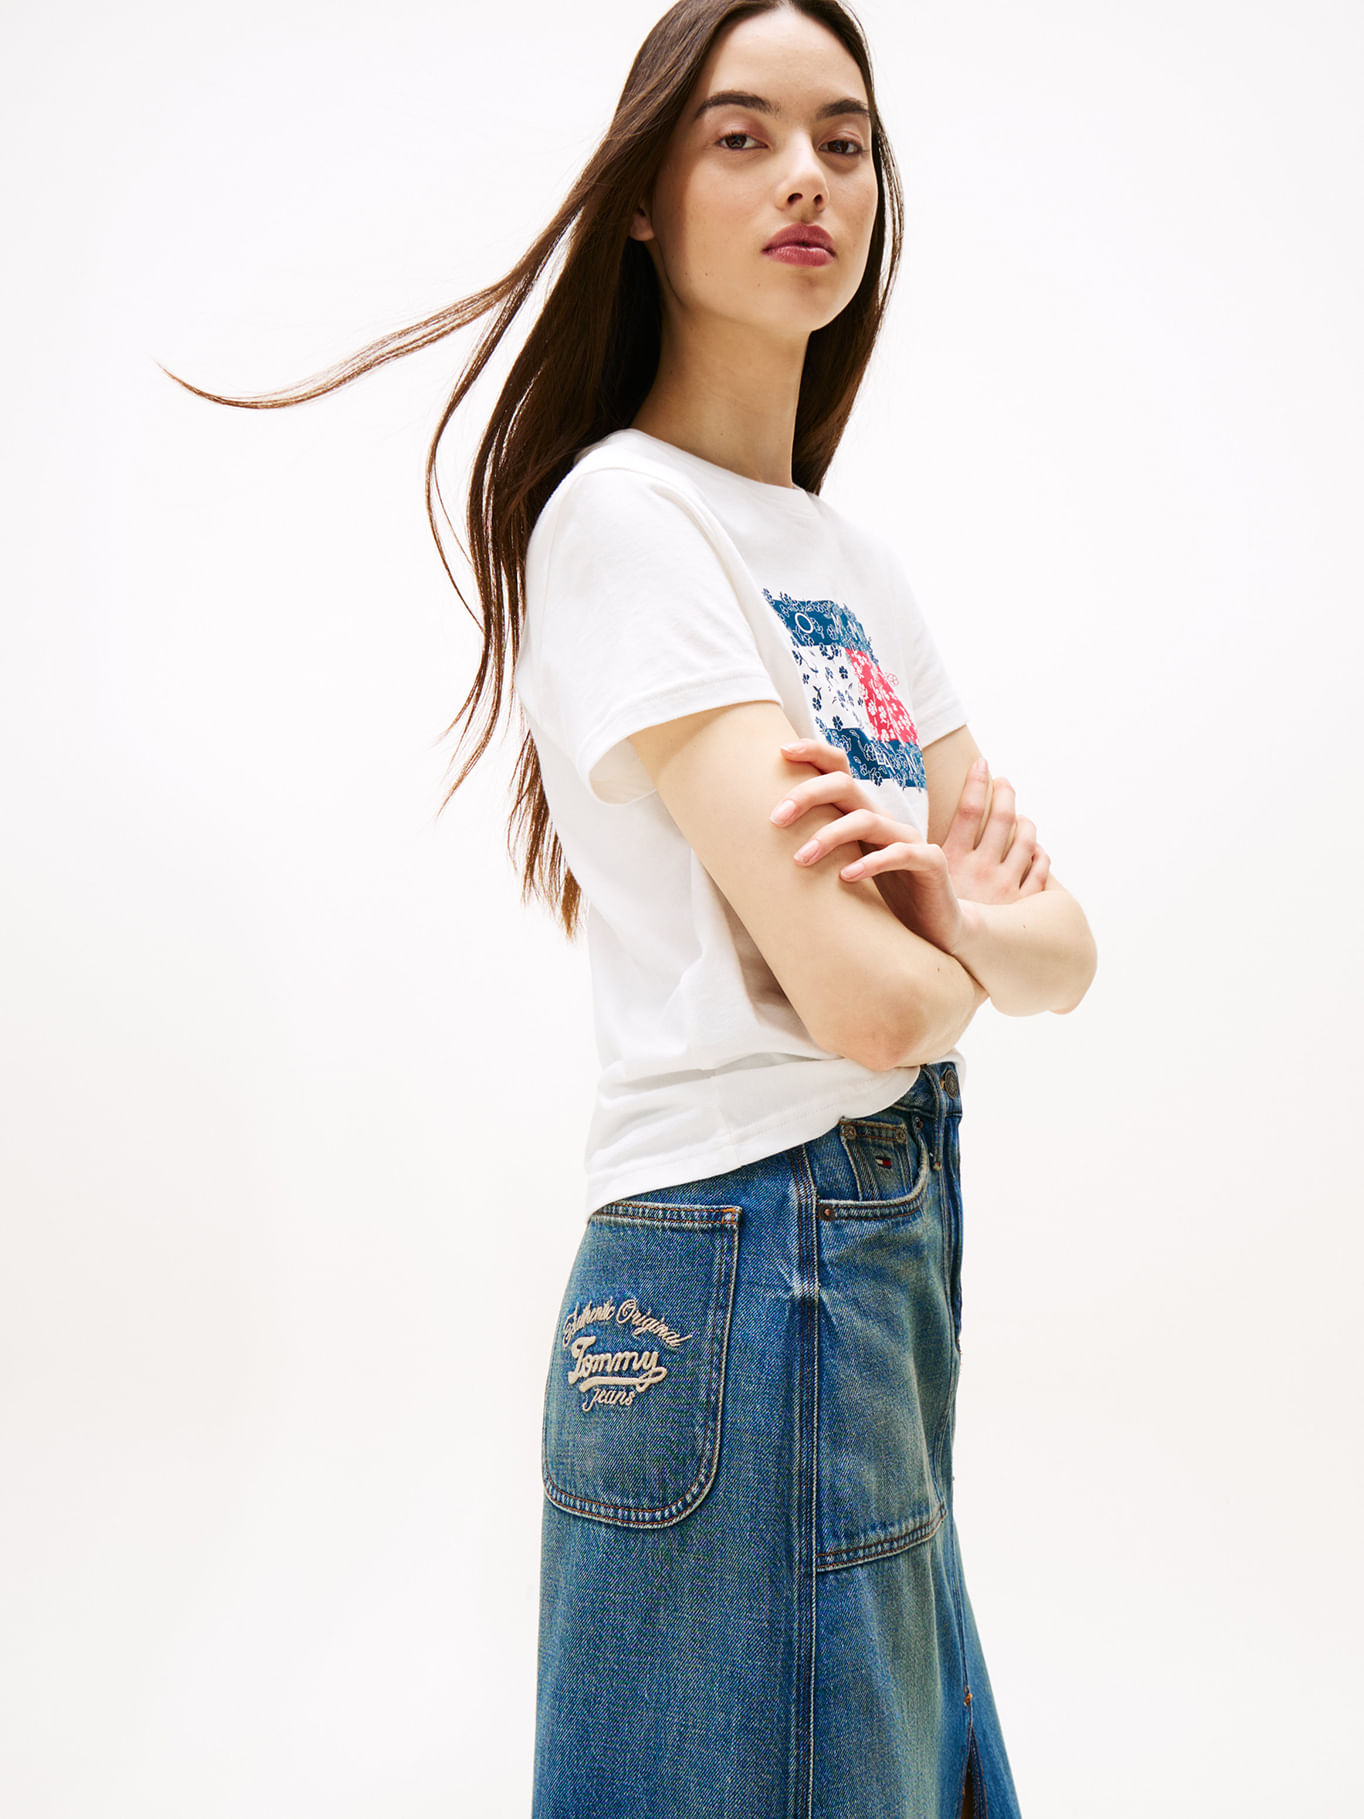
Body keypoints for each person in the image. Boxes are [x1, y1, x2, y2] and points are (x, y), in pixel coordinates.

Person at [162, 2, 1098, 1812]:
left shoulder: (850, 564)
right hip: (749, 1268)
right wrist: (951, 934)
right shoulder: (627, 525)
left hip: (866, 1277)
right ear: (649, 203)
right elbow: (872, 1008)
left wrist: (947, 925)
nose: (808, 177)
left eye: (844, 140)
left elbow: (1068, 948)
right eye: (743, 136)